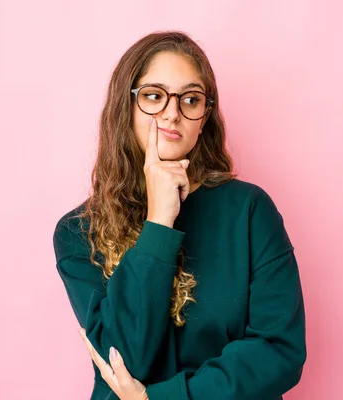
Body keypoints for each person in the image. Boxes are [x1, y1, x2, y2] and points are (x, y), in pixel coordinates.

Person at [52, 31, 306, 400]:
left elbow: (279, 351)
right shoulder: (78, 232)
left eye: (190, 99)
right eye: (154, 96)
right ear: (127, 107)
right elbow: (124, 360)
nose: (172, 112)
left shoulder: (248, 211)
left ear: (203, 118)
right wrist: (158, 222)